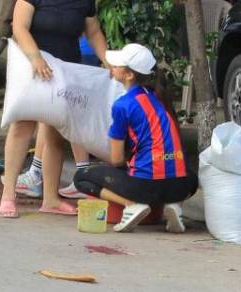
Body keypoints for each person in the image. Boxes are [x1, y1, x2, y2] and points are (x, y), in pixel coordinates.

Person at [72, 43, 198, 234]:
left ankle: (132, 205)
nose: (111, 67)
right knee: (191, 177)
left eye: (116, 65)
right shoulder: (159, 98)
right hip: (180, 186)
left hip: (144, 187)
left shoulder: (123, 105)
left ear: (129, 75)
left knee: (81, 177)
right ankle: (174, 205)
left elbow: (116, 160)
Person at [0, 0, 107, 219]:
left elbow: (93, 32)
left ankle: (50, 198)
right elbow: (19, 27)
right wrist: (35, 57)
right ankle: (8, 195)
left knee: (55, 133)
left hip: (65, 70)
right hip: (31, 66)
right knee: (22, 125)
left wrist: (108, 60)